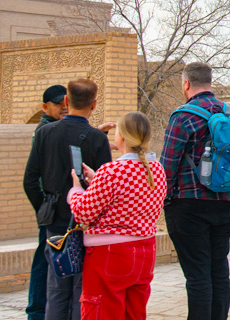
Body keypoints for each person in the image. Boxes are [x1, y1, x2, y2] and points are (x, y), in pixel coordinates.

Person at [23, 79, 112, 320]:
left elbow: (30, 179)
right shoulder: (97, 139)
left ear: (66, 101)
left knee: (56, 288)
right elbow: (105, 189)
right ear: (94, 105)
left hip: (55, 224)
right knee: (82, 289)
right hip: (87, 226)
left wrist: (45, 208)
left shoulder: (45, 134)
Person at [68, 111, 166, 320]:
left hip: (110, 254)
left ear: (120, 137)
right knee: (134, 313)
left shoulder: (111, 172)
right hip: (145, 250)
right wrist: (97, 179)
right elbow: (133, 192)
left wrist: (76, 191)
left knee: (102, 311)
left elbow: (83, 213)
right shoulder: (157, 169)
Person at [161, 62, 230, 320]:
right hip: (226, 204)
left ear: (186, 84)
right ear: (210, 82)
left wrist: (165, 202)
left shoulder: (183, 117)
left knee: (197, 276)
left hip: (190, 207)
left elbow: (167, 166)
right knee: (219, 271)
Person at [26, 84, 69, 320]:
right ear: (45, 107)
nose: (64, 108)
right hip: (51, 211)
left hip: (54, 210)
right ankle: (36, 312)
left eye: (67, 103)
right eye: (58, 104)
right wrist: (44, 208)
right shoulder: (45, 131)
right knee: (45, 263)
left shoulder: (56, 129)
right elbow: (31, 178)